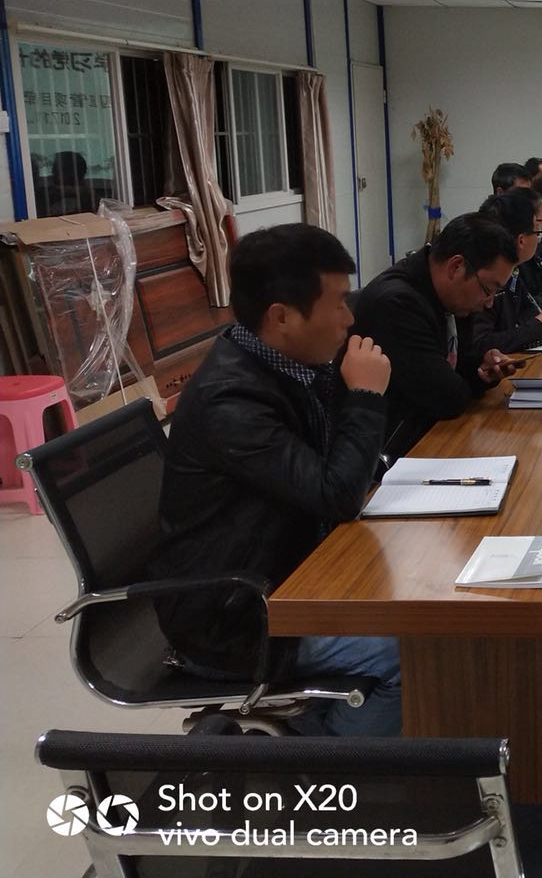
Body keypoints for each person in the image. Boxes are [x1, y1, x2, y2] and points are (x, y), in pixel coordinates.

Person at [152, 224, 401, 735]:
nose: (349, 318)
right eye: (337, 304)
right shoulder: (231, 399)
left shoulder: (290, 364)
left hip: (288, 579)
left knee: (420, 606)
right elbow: (336, 494)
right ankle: (320, 767)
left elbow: (339, 472)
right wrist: (366, 398)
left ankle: (316, 732)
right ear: (281, 316)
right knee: (408, 652)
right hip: (235, 619)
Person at [350, 214, 521, 457]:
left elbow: (457, 368)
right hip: (391, 455)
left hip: (428, 437)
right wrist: (465, 378)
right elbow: (448, 397)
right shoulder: (396, 304)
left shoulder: (449, 297)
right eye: (488, 289)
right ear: (456, 267)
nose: (489, 303)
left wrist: (481, 369)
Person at [471, 188, 542, 353]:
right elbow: (479, 344)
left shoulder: (513, 271)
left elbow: (527, 311)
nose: (540, 238)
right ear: (521, 240)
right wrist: (533, 330)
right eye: (537, 232)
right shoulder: (487, 275)